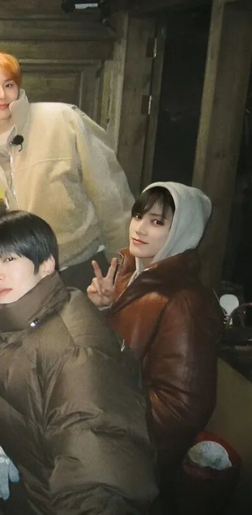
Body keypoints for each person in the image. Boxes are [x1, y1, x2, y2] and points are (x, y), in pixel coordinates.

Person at [0, 211, 157, 514]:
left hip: (51, 500)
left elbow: (98, 480)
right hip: (25, 468)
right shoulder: (2, 312)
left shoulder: (76, 353)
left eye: (9, 259)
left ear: (46, 265)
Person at [0, 52, 134, 289]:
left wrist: (123, 267)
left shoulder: (64, 121)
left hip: (83, 267)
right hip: (21, 279)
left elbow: (112, 197)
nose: (1, 95)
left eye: (9, 85)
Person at [87, 182, 223, 473]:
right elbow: (115, 350)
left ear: (183, 230)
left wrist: (108, 415)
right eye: (138, 216)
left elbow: (182, 409)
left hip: (134, 454)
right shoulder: (131, 275)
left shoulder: (186, 302)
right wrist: (103, 308)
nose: (140, 228)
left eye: (157, 222)